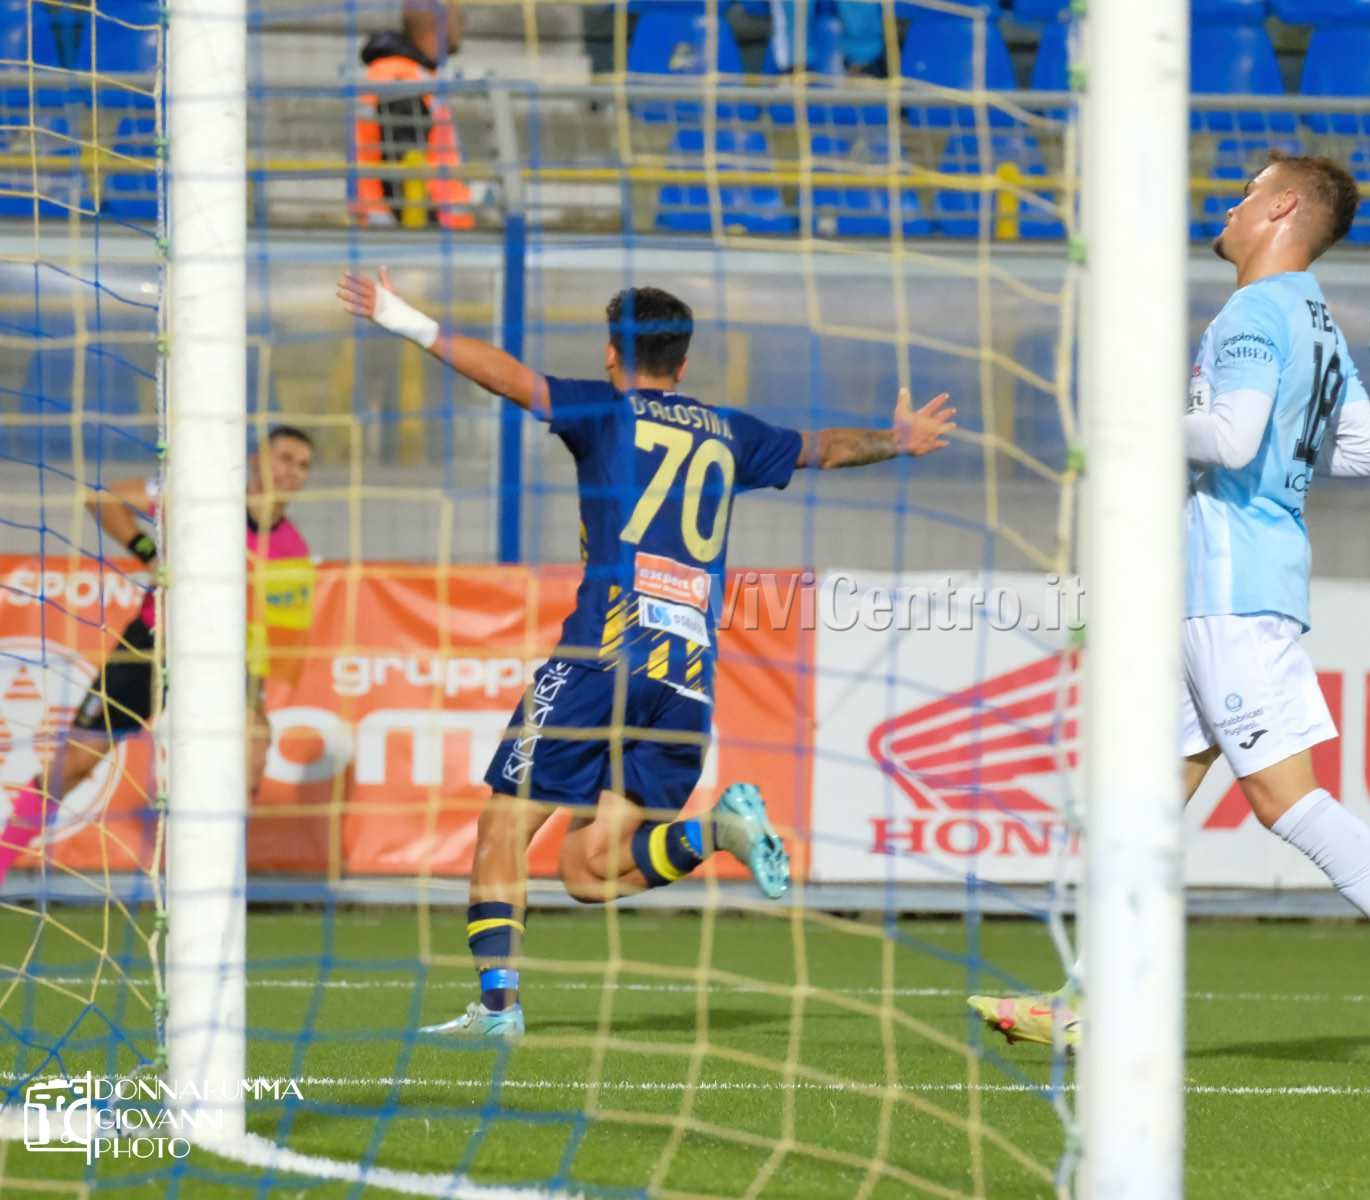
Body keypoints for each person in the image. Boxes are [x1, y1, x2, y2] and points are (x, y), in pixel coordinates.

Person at [337, 269, 956, 1041]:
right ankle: (714, 833)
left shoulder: (605, 412)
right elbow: (821, 449)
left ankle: (497, 1010)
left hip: (603, 657)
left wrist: (402, 317)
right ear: (683, 363)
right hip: (686, 678)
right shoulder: (728, 431)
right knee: (588, 869)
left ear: (610, 354)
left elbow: (509, 378)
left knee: (502, 830)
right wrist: (897, 441)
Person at [970, 153, 1370, 1076]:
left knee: (1284, 801)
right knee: (1146, 802)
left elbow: (1231, 437)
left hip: (1230, 590)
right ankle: (1082, 1006)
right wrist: (1278, 460)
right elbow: (1368, 453)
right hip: (1224, 589)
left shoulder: (1256, 312)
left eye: (1247, 192)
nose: (1230, 206)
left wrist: (1127, 423)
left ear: (1283, 207)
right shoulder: (1317, 319)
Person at [0, 428, 317, 885]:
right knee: (75, 765)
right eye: (284, 458)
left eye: (302, 466)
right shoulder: (201, 500)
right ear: (257, 458)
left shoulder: (293, 553)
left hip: (225, 661)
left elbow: (275, 640)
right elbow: (101, 499)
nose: (291, 472)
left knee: (252, 750)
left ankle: (221, 882)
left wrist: (256, 701)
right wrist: (150, 554)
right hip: (155, 641)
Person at [351, 0, 475, 230]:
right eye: (459, 17)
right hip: (412, 233)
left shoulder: (408, 74)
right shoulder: (402, 79)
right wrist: (423, 229)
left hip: (414, 230)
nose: (463, 25)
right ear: (440, 23)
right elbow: (405, 168)